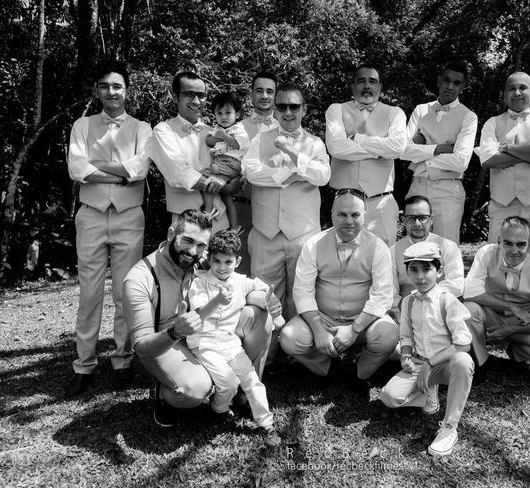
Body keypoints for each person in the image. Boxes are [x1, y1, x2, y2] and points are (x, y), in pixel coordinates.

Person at [123, 210, 273, 427]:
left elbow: (239, 287)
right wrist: (174, 331)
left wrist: (267, 300)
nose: (194, 251)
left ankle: (242, 391)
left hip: (204, 334)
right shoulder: (139, 279)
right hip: (165, 342)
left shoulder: (202, 261)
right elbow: (142, 347)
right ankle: (165, 394)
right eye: (187, 241)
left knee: (259, 317)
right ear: (171, 234)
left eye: (201, 245)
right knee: (196, 388)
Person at [65, 60, 152, 396]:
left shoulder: (142, 128)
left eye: (117, 86)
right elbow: (77, 169)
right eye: (105, 86)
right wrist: (120, 174)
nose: (111, 92)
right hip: (91, 215)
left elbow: (139, 170)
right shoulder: (82, 125)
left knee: (124, 292)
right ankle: (84, 364)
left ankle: (122, 359)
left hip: (129, 216)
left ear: (126, 90)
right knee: (89, 293)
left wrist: (97, 166)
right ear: (97, 91)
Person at [279, 189, 399, 385]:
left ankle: (361, 373)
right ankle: (327, 368)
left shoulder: (378, 247)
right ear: (332, 215)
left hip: (364, 320)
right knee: (289, 338)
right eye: (342, 214)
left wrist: (354, 329)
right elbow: (302, 292)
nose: (349, 221)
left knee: (389, 335)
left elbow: (382, 296)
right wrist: (318, 330)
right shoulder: (314, 244)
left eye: (355, 215)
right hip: (323, 317)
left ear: (364, 216)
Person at [242, 83, 330, 326]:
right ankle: (267, 349)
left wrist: (291, 152)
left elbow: (322, 176)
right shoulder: (261, 138)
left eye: (294, 106)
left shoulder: (315, 143)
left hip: (303, 234)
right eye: (282, 106)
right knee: (264, 298)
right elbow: (251, 172)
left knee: (302, 297)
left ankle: (297, 346)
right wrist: (291, 174)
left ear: (304, 109)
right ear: (275, 109)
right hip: (265, 233)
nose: (288, 112)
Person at [186, 230, 281, 447]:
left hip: (230, 343)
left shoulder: (239, 281)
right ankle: (218, 409)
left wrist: (269, 298)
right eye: (216, 261)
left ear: (237, 261)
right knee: (229, 382)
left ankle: (267, 425)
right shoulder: (200, 282)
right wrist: (218, 300)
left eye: (228, 262)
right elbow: (199, 315)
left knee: (251, 380)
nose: (222, 267)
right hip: (204, 343)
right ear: (209, 259)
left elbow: (260, 287)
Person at [379, 241, 474, 458]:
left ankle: (449, 428)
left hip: (446, 364)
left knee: (464, 361)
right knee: (389, 397)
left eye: (426, 269)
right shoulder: (408, 302)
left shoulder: (447, 301)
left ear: (439, 272)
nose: (420, 276)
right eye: (414, 270)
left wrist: (430, 365)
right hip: (420, 361)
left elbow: (463, 344)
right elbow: (405, 336)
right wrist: (405, 355)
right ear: (407, 272)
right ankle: (429, 390)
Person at [462, 217, 530, 378]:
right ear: (499, 241)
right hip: (488, 318)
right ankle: (481, 362)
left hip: (520, 323)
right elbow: (470, 291)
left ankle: (516, 353)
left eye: (521, 244)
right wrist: (511, 307)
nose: (514, 251)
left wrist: (513, 329)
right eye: (508, 243)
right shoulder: (486, 254)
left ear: (529, 243)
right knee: (468, 310)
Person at [475, 72, 530, 264]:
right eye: (512, 88)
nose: (517, 92)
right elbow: (488, 160)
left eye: (523, 87)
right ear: (504, 94)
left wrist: (506, 148)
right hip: (501, 204)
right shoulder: (492, 123)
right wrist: (529, 154)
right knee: (497, 263)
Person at [325, 65, 406, 245]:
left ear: (380, 87)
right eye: (361, 81)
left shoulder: (395, 113)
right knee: (344, 257)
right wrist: (380, 151)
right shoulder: (336, 110)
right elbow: (336, 148)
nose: (367, 86)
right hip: (345, 202)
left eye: (373, 81)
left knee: (385, 258)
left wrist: (357, 139)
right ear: (352, 86)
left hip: (382, 203)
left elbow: (397, 148)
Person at [149, 71, 241, 229]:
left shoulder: (214, 132)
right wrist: (226, 186)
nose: (197, 101)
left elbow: (235, 162)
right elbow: (179, 173)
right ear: (175, 97)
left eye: (201, 95)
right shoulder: (163, 130)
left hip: (221, 221)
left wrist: (236, 180)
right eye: (189, 94)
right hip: (186, 223)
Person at [401, 62, 478, 243]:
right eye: (446, 80)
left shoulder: (468, 116)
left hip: (448, 189)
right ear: (438, 81)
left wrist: (422, 153)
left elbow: (461, 161)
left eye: (456, 83)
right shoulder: (421, 110)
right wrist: (439, 149)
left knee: (446, 247)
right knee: (414, 247)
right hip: (418, 185)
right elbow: (402, 151)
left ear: (463, 86)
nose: (450, 86)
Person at [389, 195, 464, 319]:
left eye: (423, 218)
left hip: (441, 312)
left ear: (431, 219)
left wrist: (422, 298)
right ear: (403, 220)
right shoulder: (392, 252)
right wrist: (409, 306)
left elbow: (456, 285)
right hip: (405, 313)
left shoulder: (448, 247)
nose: (417, 223)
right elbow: (389, 292)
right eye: (411, 218)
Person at [236, 71, 279, 275]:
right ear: (251, 95)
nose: (264, 96)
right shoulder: (237, 128)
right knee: (238, 267)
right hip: (243, 206)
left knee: (268, 273)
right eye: (259, 91)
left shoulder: (286, 129)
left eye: (270, 91)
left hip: (273, 209)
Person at [202, 92, 250, 231]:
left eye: (228, 113)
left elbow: (237, 144)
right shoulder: (217, 129)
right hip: (221, 162)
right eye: (219, 113)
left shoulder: (239, 129)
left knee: (204, 178)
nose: (223, 117)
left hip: (231, 162)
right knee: (227, 197)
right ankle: (234, 228)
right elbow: (209, 141)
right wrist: (220, 136)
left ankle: (208, 211)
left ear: (237, 114)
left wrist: (223, 136)